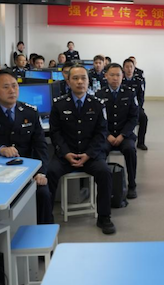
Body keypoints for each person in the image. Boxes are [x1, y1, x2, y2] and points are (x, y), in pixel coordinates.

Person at [47, 65, 116, 235]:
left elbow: (101, 133)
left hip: (90, 155)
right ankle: (46, 219)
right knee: (50, 173)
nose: (80, 82)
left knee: (105, 173)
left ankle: (104, 217)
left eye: (83, 78)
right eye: (75, 78)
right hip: (66, 154)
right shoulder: (58, 104)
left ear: (88, 81)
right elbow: (55, 133)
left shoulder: (98, 104)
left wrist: (89, 154)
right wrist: (65, 153)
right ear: (68, 81)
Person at [0, 70, 54, 224]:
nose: (12, 90)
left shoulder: (30, 112)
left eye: (14, 86)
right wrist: (0, 149)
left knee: (43, 194)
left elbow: (41, 145)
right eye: (6, 87)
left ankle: (44, 232)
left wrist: (41, 172)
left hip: (27, 170)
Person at [96, 64, 140, 199]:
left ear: (122, 76)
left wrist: (122, 135)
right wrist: (108, 135)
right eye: (112, 75)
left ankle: (132, 184)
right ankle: (103, 186)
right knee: (99, 151)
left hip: (125, 135)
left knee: (130, 150)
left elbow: (134, 118)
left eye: (118, 75)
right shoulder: (99, 94)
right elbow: (97, 120)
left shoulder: (130, 93)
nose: (115, 78)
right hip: (106, 135)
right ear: (106, 76)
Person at [123, 58, 148, 150]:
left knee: (143, 118)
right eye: (127, 67)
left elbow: (141, 97)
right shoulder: (120, 80)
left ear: (134, 68)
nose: (129, 69)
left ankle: (141, 142)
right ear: (123, 68)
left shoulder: (138, 81)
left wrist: (137, 108)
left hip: (135, 107)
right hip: (122, 107)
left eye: (131, 67)